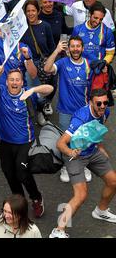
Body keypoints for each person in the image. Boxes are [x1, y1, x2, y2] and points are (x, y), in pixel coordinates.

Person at [0, 67, 53, 218]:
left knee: (22, 172)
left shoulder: (28, 93)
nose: (14, 82)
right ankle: (19, 202)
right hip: (5, 142)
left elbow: (50, 89)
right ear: (7, 82)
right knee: (9, 173)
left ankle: (36, 197)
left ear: (22, 82)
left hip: (25, 141)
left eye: (17, 80)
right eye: (11, 80)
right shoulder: (1, 91)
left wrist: (33, 89)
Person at [49, 88, 116, 238]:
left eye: (106, 102)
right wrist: (71, 153)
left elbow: (95, 131)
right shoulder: (80, 118)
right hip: (74, 155)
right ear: (90, 102)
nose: (103, 106)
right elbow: (61, 143)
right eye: (99, 103)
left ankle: (101, 211)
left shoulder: (104, 112)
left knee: (113, 181)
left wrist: (99, 146)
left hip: (91, 151)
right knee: (81, 195)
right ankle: (58, 231)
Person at [44, 36, 93, 183]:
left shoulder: (88, 64)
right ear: (69, 48)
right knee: (66, 141)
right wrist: (57, 50)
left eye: (78, 46)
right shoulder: (63, 62)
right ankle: (66, 166)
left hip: (84, 111)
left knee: (84, 139)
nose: (76, 49)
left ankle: (84, 166)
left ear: (82, 48)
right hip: (65, 110)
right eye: (72, 46)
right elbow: (47, 69)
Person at [20, 0, 55, 125]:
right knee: (32, 90)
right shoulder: (22, 27)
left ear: (38, 11)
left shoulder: (45, 26)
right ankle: (35, 113)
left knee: (44, 91)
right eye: (28, 11)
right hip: (29, 64)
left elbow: (51, 47)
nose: (30, 13)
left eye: (33, 10)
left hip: (44, 63)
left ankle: (41, 109)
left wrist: (50, 64)